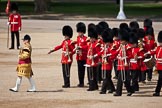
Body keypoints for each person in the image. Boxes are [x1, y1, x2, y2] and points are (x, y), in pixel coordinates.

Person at [113, 29, 133, 96]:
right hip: (120, 65)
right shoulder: (121, 46)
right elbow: (117, 53)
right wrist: (116, 56)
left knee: (123, 79)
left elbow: (131, 55)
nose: (121, 42)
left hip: (126, 65)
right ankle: (129, 90)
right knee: (123, 79)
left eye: (122, 40)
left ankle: (119, 92)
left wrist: (125, 57)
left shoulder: (128, 47)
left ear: (125, 40)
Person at [95, 28, 115, 94]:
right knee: (108, 77)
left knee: (105, 77)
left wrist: (108, 56)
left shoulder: (111, 47)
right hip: (104, 64)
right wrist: (95, 55)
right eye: (106, 42)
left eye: (107, 42)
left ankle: (103, 90)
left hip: (108, 64)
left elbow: (113, 55)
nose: (106, 43)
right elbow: (101, 52)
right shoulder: (105, 47)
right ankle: (112, 88)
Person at [86, 26, 101, 91]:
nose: (91, 39)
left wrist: (94, 56)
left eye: (92, 38)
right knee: (91, 74)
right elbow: (86, 48)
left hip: (94, 61)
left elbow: (99, 53)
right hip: (89, 61)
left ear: (95, 38)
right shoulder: (90, 44)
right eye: (90, 38)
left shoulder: (96, 44)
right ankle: (95, 86)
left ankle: (92, 86)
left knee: (92, 75)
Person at [74, 22, 88, 87]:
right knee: (79, 70)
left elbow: (87, 46)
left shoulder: (86, 39)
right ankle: (81, 82)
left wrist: (81, 47)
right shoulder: (78, 38)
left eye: (80, 32)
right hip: (78, 56)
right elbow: (78, 44)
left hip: (84, 56)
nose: (79, 33)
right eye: (79, 32)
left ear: (83, 32)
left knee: (84, 70)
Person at [152, 31, 162, 96]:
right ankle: (157, 91)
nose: (160, 43)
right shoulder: (158, 48)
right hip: (159, 66)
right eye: (160, 42)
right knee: (160, 79)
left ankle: (157, 91)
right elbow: (152, 51)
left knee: (160, 79)